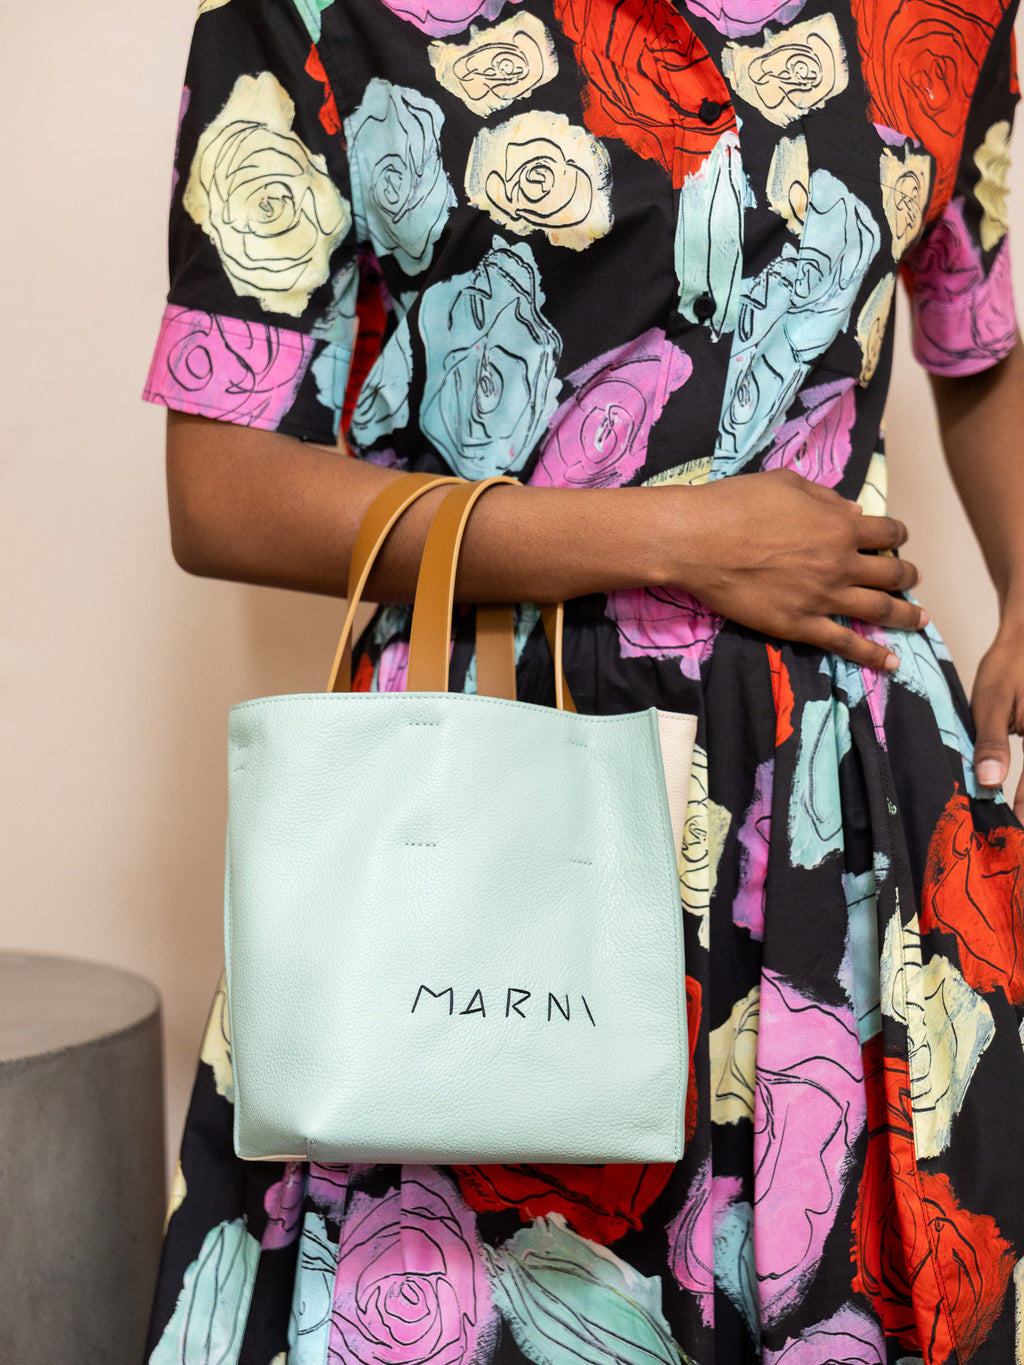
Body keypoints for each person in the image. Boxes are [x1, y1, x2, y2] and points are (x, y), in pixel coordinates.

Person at [142, 0, 1024, 1359]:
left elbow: (979, 336)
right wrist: (677, 539)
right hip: (488, 771)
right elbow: (220, 489)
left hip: (838, 803)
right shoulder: (309, 14)